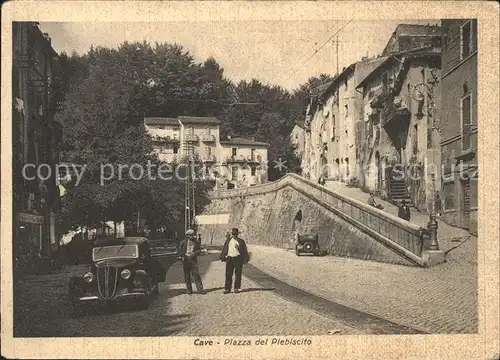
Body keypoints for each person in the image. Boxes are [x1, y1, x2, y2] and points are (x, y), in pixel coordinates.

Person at [220, 228, 250, 294]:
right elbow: (225, 248)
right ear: (232, 234)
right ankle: (227, 289)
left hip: (238, 258)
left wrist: (238, 248)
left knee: (238, 274)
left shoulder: (241, 241)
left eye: (235, 234)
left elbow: (244, 250)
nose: (234, 235)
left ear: (237, 234)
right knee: (228, 274)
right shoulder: (228, 240)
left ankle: (236, 288)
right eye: (233, 234)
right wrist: (224, 256)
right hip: (230, 258)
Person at [178, 229, 205, 295]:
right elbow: (180, 251)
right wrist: (182, 257)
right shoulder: (183, 242)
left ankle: (200, 290)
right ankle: (189, 290)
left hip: (193, 260)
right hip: (186, 260)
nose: (193, 236)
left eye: (193, 235)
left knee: (196, 275)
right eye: (192, 235)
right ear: (188, 236)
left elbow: (199, 250)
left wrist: (194, 254)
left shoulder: (196, 242)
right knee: (187, 276)